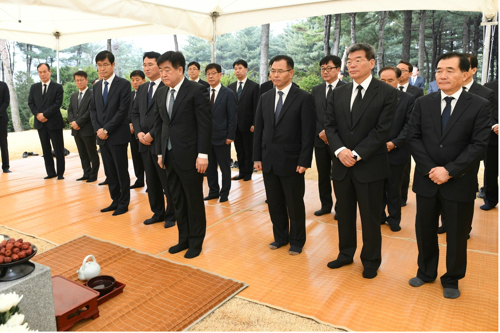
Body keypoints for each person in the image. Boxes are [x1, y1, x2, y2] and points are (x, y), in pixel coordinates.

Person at [407, 52, 491, 299]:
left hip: (459, 182)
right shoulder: (423, 103)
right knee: (425, 229)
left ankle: (452, 278)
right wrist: (431, 169)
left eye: (449, 70)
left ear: (465, 74)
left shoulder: (479, 104)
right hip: (427, 179)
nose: (442, 75)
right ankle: (425, 272)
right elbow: (413, 137)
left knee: (456, 233)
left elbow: (478, 144)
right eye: (438, 70)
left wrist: (450, 171)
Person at [324, 43, 397, 279]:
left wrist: (355, 154)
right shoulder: (339, 92)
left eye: (357, 60)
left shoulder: (386, 92)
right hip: (342, 166)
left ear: (371, 63)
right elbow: (330, 126)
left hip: (369, 166)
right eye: (349, 61)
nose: (351, 64)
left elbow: (382, 130)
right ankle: (345, 254)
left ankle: (371, 260)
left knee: (370, 217)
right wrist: (340, 151)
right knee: (344, 214)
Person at [254, 54, 315, 255]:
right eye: (273, 70)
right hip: (269, 160)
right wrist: (257, 157)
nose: (276, 75)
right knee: (275, 202)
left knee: (294, 203)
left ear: (291, 72)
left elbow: (308, 133)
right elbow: (259, 130)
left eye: (280, 71)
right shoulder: (265, 97)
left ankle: (297, 241)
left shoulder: (304, 98)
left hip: (292, 161)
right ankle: (280, 237)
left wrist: (304, 160)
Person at [154, 51, 212, 259]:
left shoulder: (197, 90)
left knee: (193, 200)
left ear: (180, 69)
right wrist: (160, 152)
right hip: (169, 156)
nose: (163, 74)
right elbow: (161, 124)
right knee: (177, 200)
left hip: (191, 156)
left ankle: (196, 242)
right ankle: (183, 238)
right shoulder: (161, 92)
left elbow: (204, 125)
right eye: (160, 70)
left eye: (167, 69)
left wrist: (203, 154)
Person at [131, 52, 176, 228]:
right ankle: (158, 212)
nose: (147, 68)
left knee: (167, 181)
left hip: (161, 144)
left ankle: (172, 214)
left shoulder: (167, 88)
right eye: (145, 65)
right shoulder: (142, 88)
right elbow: (135, 113)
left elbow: (167, 118)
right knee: (151, 181)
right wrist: (140, 133)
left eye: (150, 64)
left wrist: (152, 134)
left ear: (159, 66)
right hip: (143, 143)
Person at [89, 50, 131, 216]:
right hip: (102, 137)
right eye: (99, 65)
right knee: (109, 172)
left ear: (113, 65)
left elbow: (122, 111)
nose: (102, 68)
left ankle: (124, 203)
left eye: (105, 64)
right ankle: (115, 199)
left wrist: (107, 129)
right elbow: (93, 110)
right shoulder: (97, 85)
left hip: (117, 135)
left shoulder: (123, 84)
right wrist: (99, 129)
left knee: (121, 171)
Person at [378, 66, 415, 232]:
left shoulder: (408, 99)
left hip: (397, 151)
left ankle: (394, 219)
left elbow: (410, 126)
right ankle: (378, 216)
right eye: (382, 80)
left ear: (398, 80)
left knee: (394, 188)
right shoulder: (372, 98)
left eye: (390, 80)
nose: (386, 83)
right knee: (376, 188)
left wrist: (394, 143)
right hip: (375, 152)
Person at [311, 55, 346, 217]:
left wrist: (330, 133)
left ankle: (341, 207)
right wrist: (321, 132)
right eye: (322, 69)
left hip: (339, 141)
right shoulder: (316, 90)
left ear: (338, 70)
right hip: (320, 141)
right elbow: (314, 115)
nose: (325, 72)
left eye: (329, 68)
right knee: (323, 175)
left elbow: (347, 117)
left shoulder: (346, 88)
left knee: (339, 176)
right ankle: (325, 205)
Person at [204, 63, 237, 203]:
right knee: (210, 167)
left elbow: (233, 116)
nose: (211, 76)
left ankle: (224, 194)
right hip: (206, 138)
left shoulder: (228, 93)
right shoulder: (203, 93)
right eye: (208, 74)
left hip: (223, 138)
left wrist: (230, 135)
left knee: (224, 167)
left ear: (220, 75)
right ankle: (213, 191)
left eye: (213, 73)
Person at [28, 63, 65, 180]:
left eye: (45, 71)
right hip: (40, 123)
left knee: (58, 149)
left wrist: (45, 114)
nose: (42, 74)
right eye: (40, 72)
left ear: (50, 72)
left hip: (54, 123)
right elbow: (31, 103)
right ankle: (50, 172)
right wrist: (38, 115)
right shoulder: (34, 88)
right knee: (45, 149)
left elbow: (57, 104)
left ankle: (60, 173)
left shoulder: (57, 87)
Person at [396, 60, 424, 207]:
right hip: (390, 136)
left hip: (407, 135)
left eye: (404, 70)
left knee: (404, 169)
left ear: (410, 73)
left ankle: (402, 197)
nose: (400, 73)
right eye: (398, 69)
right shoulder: (389, 89)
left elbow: (416, 115)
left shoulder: (417, 92)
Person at [228, 59, 259, 181]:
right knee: (239, 150)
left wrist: (254, 123)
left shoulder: (254, 86)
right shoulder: (230, 87)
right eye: (235, 69)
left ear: (246, 69)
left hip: (248, 125)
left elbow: (257, 106)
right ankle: (241, 172)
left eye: (240, 68)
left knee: (248, 150)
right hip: (235, 125)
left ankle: (248, 173)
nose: (237, 71)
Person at [67, 70, 100, 182]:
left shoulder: (92, 94)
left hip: (87, 129)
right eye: (77, 80)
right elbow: (70, 110)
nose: (79, 82)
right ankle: (86, 173)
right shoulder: (74, 96)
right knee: (82, 153)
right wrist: (73, 122)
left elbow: (90, 112)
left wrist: (79, 122)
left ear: (86, 80)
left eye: (81, 80)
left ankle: (93, 175)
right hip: (76, 130)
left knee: (92, 153)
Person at [482, 79, 498, 210]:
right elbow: (486, 110)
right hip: (494, 135)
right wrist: (495, 125)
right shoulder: (489, 87)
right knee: (491, 170)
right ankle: (491, 199)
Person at [129, 70, 146, 189]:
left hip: (144, 132)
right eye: (133, 80)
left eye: (138, 80)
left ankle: (152, 183)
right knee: (135, 157)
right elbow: (125, 111)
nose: (135, 82)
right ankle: (139, 179)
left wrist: (137, 126)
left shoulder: (147, 94)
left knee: (146, 158)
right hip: (131, 131)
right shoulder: (129, 95)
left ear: (144, 81)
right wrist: (129, 124)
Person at [0, 80, 10, 173]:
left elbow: (6, 101)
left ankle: (5, 166)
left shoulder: (3, 85)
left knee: (3, 143)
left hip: (2, 119)